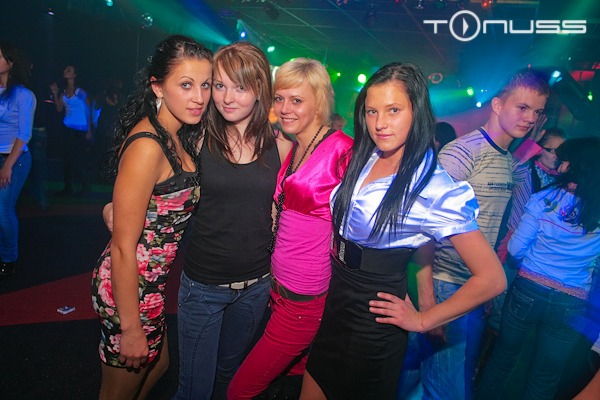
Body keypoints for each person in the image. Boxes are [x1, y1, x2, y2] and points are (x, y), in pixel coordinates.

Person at [298, 62, 506, 400]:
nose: (380, 123)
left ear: (416, 112)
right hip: (336, 303)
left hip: (373, 321)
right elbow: (419, 238)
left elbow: (492, 279)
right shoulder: (367, 154)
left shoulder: (433, 186)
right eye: (372, 111)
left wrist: (424, 319)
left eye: (393, 110)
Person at [91, 35, 212, 400]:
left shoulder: (177, 135)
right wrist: (130, 328)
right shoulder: (148, 145)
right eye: (186, 85)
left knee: (158, 366)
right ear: (158, 87)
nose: (199, 97)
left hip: (152, 284)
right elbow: (123, 247)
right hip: (131, 286)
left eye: (205, 85)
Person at [227, 58, 353, 400]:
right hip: (280, 293)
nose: (284, 108)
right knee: (296, 385)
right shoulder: (296, 146)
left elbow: (361, 228)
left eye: (296, 100)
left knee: (240, 390)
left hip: (303, 302)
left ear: (319, 102)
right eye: (280, 98)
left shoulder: (343, 150)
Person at [420, 69, 550, 400]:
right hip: (445, 283)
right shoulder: (461, 153)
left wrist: (484, 293)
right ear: (497, 105)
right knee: (445, 388)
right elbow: (424, 229)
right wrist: (428, 302)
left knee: (436, 379)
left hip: (473, 288)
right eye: (522, 107)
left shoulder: (507, 159)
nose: (530, 118)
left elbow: (512, 217)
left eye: (536, 111)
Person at [174, 41, 292, 400]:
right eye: (219, 85)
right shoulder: (196, 139)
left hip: (256, 286)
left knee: (230, 377)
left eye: (240, 87)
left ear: (259, 90)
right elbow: (161, 188)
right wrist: (115, 207)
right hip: (203, 286)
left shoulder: (282, 147)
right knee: (194, 389)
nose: (227, 98)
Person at [476, 137, 600, 400]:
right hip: (572, 299)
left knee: (502, 359)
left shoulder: (543, 199)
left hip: (529, 288)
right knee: (546, 376)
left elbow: (515, 249)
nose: (560, 165)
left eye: (565, 161)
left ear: (576, 165)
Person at [0, 41, 36, 279]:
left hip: (16, 159)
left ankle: (9, 258)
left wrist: (7, 166)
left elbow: (24, 134)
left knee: (3, 210)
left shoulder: (23, 95)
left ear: (11, 63)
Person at [50, 65, 93, 195]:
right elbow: (59, 108)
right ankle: (68, 187)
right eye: (65, 70)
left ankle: (85, 185)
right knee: (67, 159)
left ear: (74, 75)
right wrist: (55, 93)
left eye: (69, 70)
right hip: (67, 128)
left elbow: (88, 108)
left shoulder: (79, 91)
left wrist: (89, 129)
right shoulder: (63, 91)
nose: (65, 71)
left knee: (76, 160)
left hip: (80, 129)